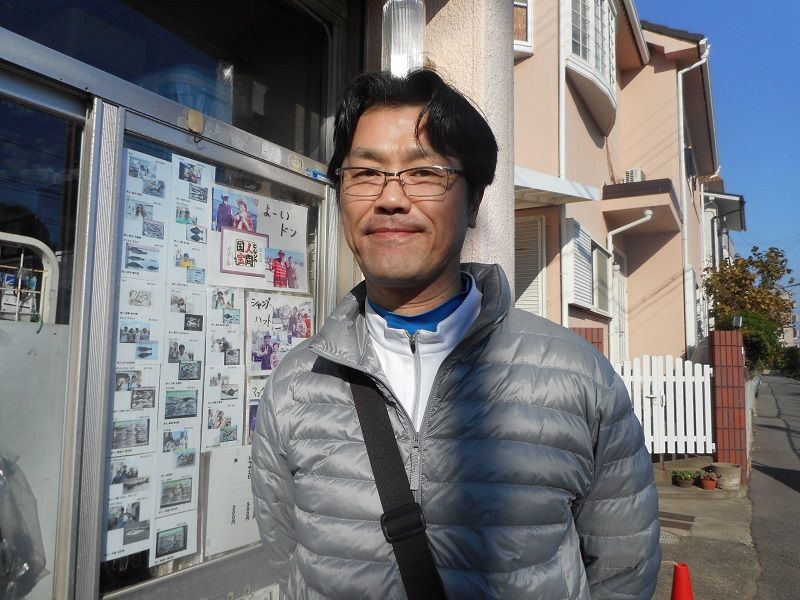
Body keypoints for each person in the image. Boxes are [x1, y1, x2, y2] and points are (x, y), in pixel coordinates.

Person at [251, 70, 660, 599]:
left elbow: (623, 570)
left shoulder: (579, 377)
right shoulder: (295, 384)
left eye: (424, 173)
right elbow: (288, 556)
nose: (390, 198)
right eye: (366, 173)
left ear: (475, 201)